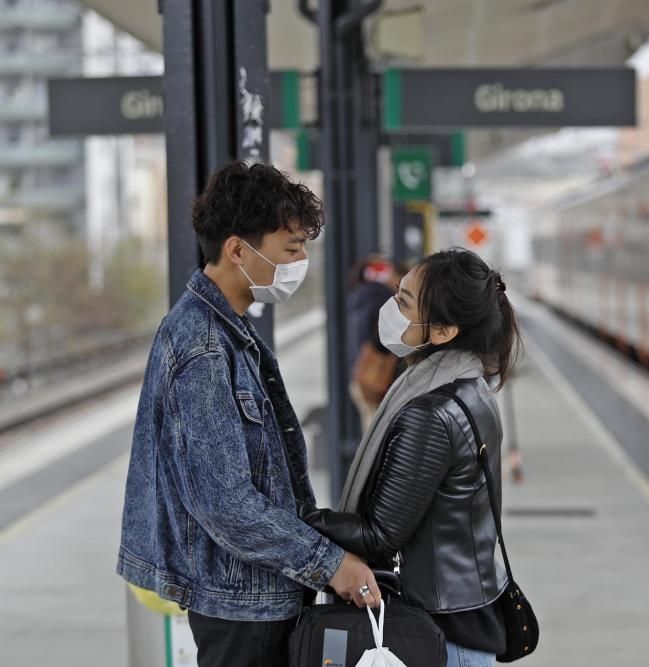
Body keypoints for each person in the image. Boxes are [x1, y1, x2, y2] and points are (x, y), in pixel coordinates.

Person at [116, 161, 380, 667]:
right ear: (238, 250)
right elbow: (226, 503)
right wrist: (330, 564)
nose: (301, 261)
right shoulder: (206, 347)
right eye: (292, 248)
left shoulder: (227, 330)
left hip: (254, 596)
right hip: (244, 609)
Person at [299, 248, 521, 667]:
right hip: (464, 619)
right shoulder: (471, 385)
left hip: (439, 636)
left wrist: (294, 517)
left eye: (402, 302)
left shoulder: (430, 412)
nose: (389, 310)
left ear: (442, 331)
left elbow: (379, 534)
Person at [347, 256, 400, 431]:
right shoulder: (383, 298)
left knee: (370, 432)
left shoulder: (357, 297)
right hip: (378, 379)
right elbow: (381, 338)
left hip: (360, 377)